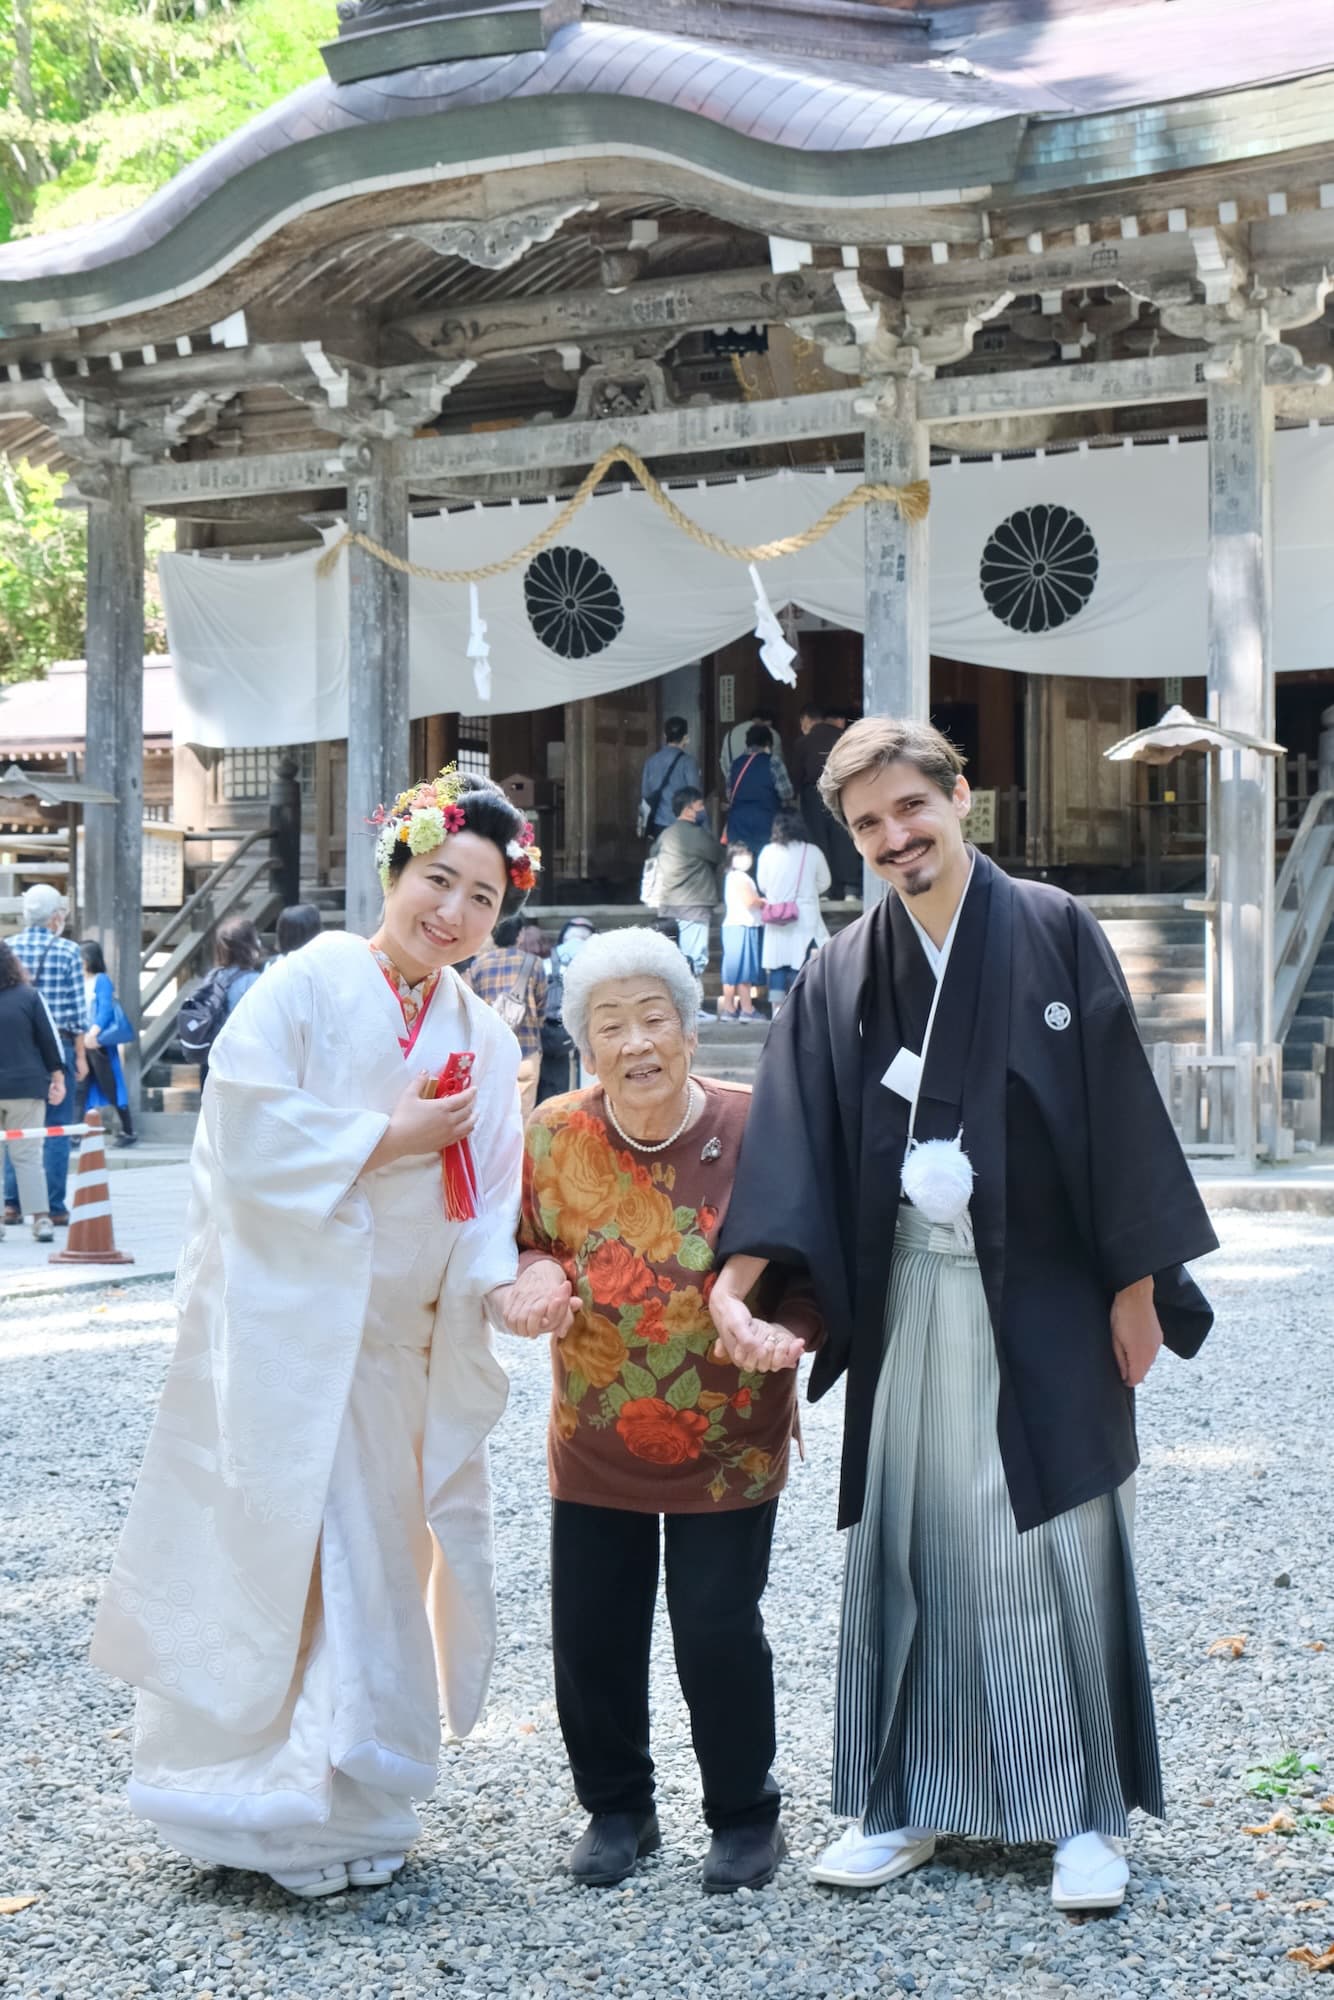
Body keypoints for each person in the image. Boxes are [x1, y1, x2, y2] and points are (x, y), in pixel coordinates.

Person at [711, 717, 1219, 1914]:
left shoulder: (1048, 928)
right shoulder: (842, 969)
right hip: (908, 1292)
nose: (897, 840)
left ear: (960, 800)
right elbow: (791, 1141)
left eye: (911, 810)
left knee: (1049, 1536)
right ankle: (906, 1799)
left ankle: (1079, 1810)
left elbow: (1114, 1109)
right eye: (869, 826)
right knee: (914, 1538)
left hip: (1045, 1295)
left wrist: (1137, 1287)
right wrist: (747, 1281)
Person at [91, 769, 539, 1900]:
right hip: (292, 1335)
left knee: (379, 1567)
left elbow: (486, 1196)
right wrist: (381, 1137)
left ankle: (354, 1801)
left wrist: (503, 1287)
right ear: (397, 868)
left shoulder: (481, 1034)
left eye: (481, 897)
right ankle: (265, 1806)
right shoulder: (303, 982)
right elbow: (237, 1131)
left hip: (394, 1350)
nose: (453, 911)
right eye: (439, 879)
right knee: (293, 1553)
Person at [498, 927, 821, 1893]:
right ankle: (618, 1809)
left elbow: (808, 1272)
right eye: (610, 1027)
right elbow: (523, 1241)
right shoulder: (552, 1131)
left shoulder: (759, 1126)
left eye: (654, 1020)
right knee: (593, 1625)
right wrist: (532, 1281)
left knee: (718, 1622)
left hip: (728, 1434)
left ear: (689, 1030)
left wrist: (786, 1337)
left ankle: (743, 1812)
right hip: (595, 1426)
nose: (635, 1044)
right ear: (585, 1046)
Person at [2, 883, 88, 1230]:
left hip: (12, 1046)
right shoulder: (68, 951)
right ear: (56, 918)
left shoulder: (8, 947)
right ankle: (52, 1207)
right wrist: (79, 1057)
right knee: (54, 1128)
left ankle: (11, 1204)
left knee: (13, 1132)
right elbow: (78, 1012)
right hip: (58, 1047)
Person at [0, 938, 67, 1244]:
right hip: (26, 1087)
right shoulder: (29, 997)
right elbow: (48, 1041)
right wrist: (58, 1079)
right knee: (27, 1155)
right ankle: (40, 1219)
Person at [468, 913, 549, 1117]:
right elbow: (542, 1007)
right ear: (520, 935)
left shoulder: (478, 965)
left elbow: (473, 1006)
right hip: (526, 1051)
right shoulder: (534, 963)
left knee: (491, 1115)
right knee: (522, 1116)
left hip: (491, 1052)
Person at [646, 786, 724, 986]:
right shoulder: (697, 835)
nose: (702, 810)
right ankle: (693, 1005)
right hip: (694, 904)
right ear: (688, 809)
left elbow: (653, 855)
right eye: (700, 806)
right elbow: (718, 855)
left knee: (671, 959)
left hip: (668, 905)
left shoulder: (665, 834)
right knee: (694, 958)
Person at [755, 809, 831, 1011]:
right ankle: (800, 1007)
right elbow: (825, 882)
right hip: (804, 914)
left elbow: (762, 885)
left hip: (776, 915)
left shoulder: (767, 852)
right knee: (802, 962)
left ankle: (778, 1011)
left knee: (778, 964)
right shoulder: (812, 851)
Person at [77, 940, 137, 1148]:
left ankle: (128, 1130)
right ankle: (77, 1133)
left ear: (89, 961)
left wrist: (92, 1034)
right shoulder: (78, 981)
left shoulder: (101, 980)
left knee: (109, 1086)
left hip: (98, 1043)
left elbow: (105, 1010)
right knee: (81, 1087)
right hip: (82, 1042)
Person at [539, 918, 594, 1105]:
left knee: (555, 1084)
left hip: (555, 1029)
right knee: (589, 1078)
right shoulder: (597, 959)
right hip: (590, 1025)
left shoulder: (547, 963)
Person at [724, 725, 785, 864]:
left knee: (741, 866)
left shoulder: (735, 764)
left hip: (738, 823)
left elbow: (729, 794)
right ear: (768, 743)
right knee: (767, 864)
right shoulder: (773, 761)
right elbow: (786, 792)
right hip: (767, 822)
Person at [718, 844, 764, 1022]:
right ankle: (747, 1009)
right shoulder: (740, 877)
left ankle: (729, 1009)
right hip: (743, 925)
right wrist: (763, 901)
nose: (747, 857)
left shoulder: (731, 876)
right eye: (742, 854)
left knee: (732, 970)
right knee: (744, 970)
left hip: (734, 926)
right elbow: (750, 901)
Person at [639, 717, 702, 839]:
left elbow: (646, 793)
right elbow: (695, 796)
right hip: (682, 826)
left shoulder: (651, 761)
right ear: (685, 737)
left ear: (664, 735)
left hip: (658, 825)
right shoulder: (689, 762)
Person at [719, 708, 794, 806]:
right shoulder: (773, 759)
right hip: (768, 813)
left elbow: (723, 763)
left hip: (738, 815)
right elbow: (786, 792)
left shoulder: (734, 761)